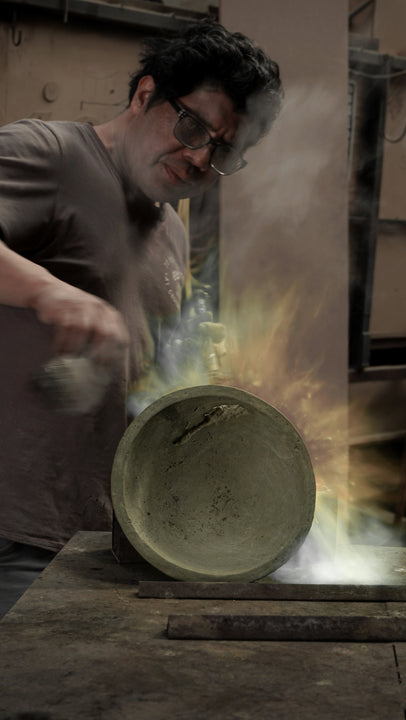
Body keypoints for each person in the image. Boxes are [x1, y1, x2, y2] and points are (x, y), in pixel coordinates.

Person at [0, 18, 283, 617]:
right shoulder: (50, 154)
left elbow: (142, 377)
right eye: (192, 127)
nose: (200, 157)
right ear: (145, 94)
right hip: (17, 532)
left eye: (223, 150)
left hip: (104, 535)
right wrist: (51, 293)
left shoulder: (170, 229)